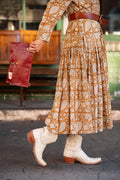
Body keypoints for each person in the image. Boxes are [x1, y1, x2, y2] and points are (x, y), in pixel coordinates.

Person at [27, 0, 113, 167]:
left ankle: (73, 147)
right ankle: (45, 135)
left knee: (84, 94)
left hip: (93, 38)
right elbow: (54, 7)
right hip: (80, 41)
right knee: (76, 91)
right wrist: (42, 38)